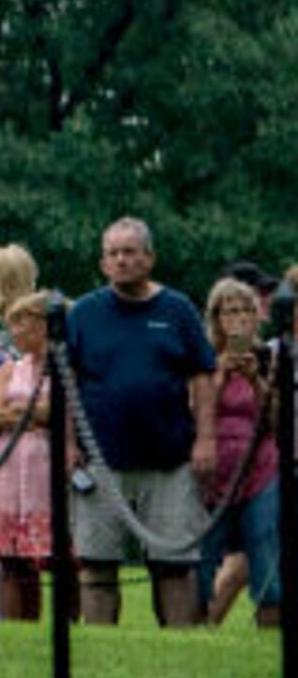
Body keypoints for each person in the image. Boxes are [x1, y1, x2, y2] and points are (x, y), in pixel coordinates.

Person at [64, 215, 215, 626]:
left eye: (129, 252)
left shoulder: (179, 309)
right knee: (97, 564)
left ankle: (179, 647)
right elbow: (66, 382)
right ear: (102, 263)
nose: (121, 261)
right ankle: (100, 648)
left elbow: (202, 375)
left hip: (169, 458)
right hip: (101, 459)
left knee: (174, 564)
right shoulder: (83, 313)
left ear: (149, 258)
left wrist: (206, 439)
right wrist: (68, 444)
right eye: (112, 254)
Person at [199, 275, 281, 629]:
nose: (239, 319)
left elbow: (277, 421)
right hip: (213, 473)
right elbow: (195, 412)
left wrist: (255, 380)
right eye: (230, 312)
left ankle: (269, 622)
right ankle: (196, 625)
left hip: (260, 468)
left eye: (246, 310)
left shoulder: (269, 357)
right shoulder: (202, 359)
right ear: (216, 318)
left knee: (265, 551)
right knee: (204, 558)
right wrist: (219, 375)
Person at [0, 291, 61, 619]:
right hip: (10, 466)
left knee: (56, 557)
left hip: (46, 465)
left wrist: (19, 410)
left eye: (22, 322)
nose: (15, 331)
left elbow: (58, 412)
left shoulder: (63, 367)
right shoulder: (10, 369)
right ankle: (15, 625)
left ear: (45, 324)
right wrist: (31, 413)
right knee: (12, 560)